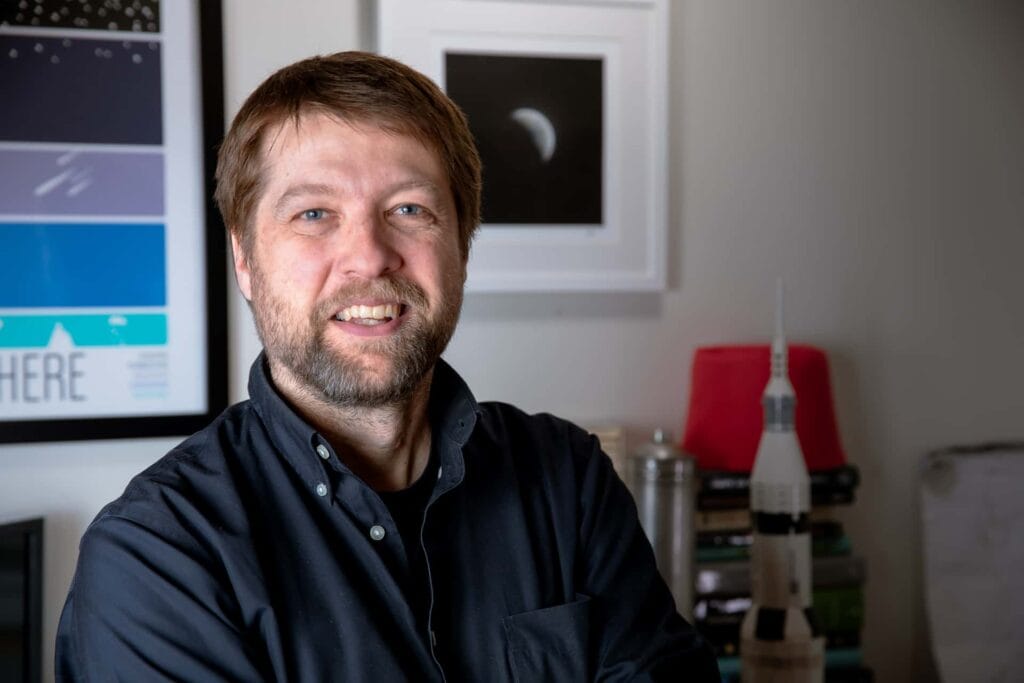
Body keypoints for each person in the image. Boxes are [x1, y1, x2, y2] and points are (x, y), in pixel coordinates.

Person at [56, 51, 719, 681]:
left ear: (461, 244)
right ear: (245, 260)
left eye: (408, 209)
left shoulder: (567, 482)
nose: (369, 256)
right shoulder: (158, 557)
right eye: (314, 214)